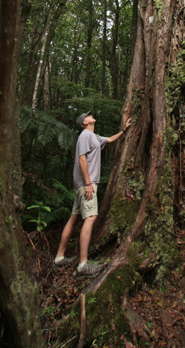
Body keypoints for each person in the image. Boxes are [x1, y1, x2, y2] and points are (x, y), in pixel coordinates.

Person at [54, 110, 132, 278]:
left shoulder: (94, 137)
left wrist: (124, 130)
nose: (91, 116)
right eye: (88, 116)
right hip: (86, 185)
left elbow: (110, 140)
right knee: (90, 218)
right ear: (85, 122)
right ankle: (83, 265)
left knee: (74, 217)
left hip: (83, 185)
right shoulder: (84, 136)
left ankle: (59, 257)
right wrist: (88, 183)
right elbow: (82, 159)